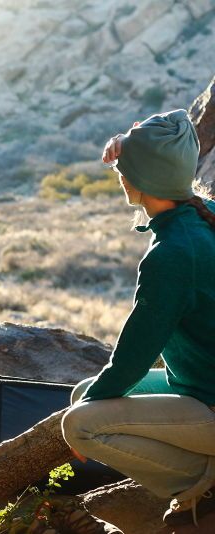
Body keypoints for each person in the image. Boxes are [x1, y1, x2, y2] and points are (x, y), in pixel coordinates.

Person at [61, 109, 215, 527]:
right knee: (83, 393)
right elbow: (176, 127)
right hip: (197, 384)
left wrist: (92, 412)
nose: (118, 175)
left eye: (123, 169)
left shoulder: (173, 255)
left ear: (141, 180)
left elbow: (130, 359)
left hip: (209, 401)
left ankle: (201, 485)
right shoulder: (205, 214)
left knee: (80, 424)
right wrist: (128, 145)